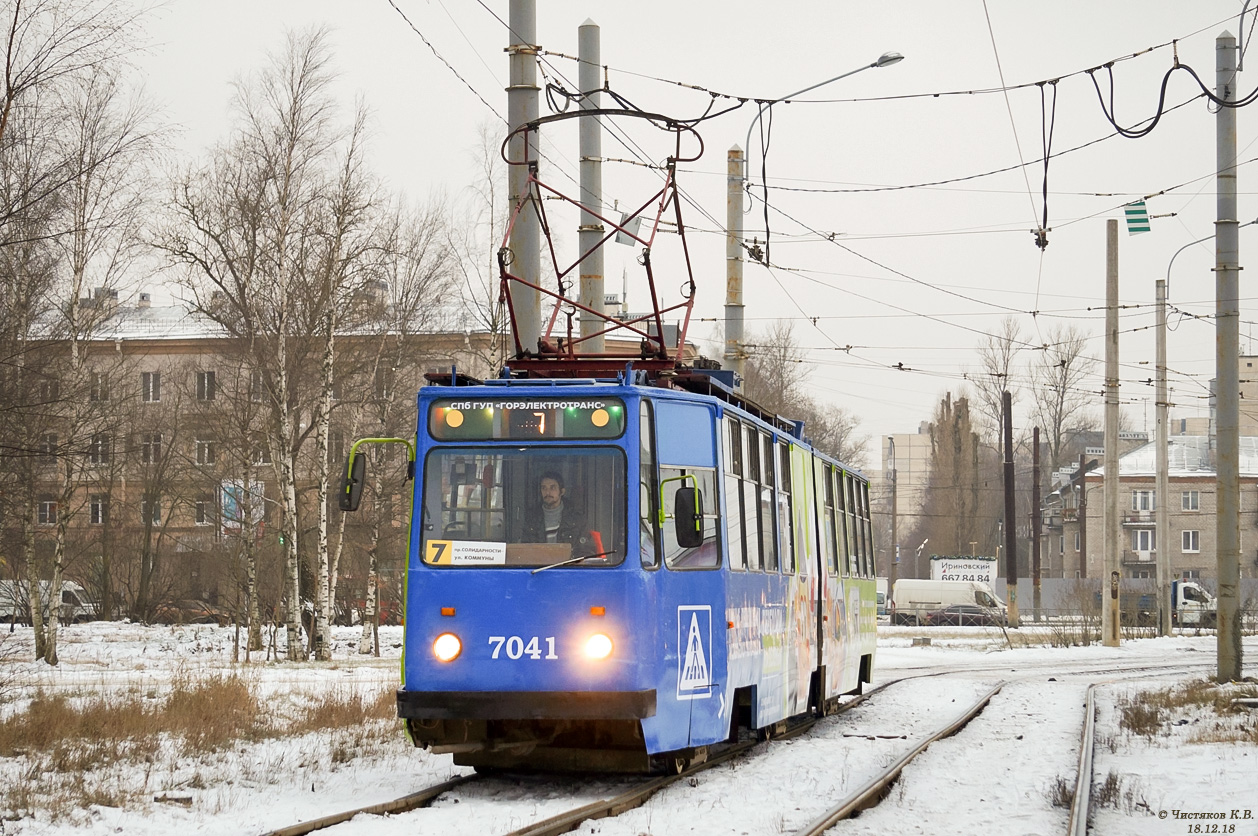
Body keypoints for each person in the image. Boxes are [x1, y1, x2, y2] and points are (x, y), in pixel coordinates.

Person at [522, 471, 593, 548]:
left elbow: (586, 551)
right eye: (544, 488)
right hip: (539, 560)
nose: (547, 492)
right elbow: (524, 550)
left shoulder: (577, 519)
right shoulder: (532, 519)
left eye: (552, 488)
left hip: (570, 560)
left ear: (562, 491)